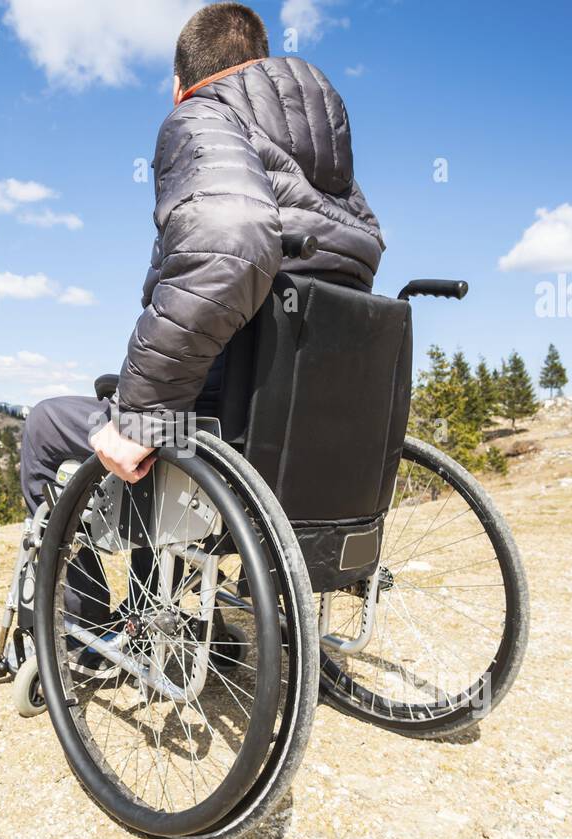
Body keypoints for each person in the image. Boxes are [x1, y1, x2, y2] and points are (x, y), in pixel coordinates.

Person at [20, 2, 384, 515]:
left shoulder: (199, 117)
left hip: (221, 430)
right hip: (303, 430)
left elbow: (230, 243)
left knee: (45, 422)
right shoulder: (330, 166)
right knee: (145, 407)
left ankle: (74, 598)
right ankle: (145, 593)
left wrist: (140, 417)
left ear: (177, 85)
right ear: (261, 64)